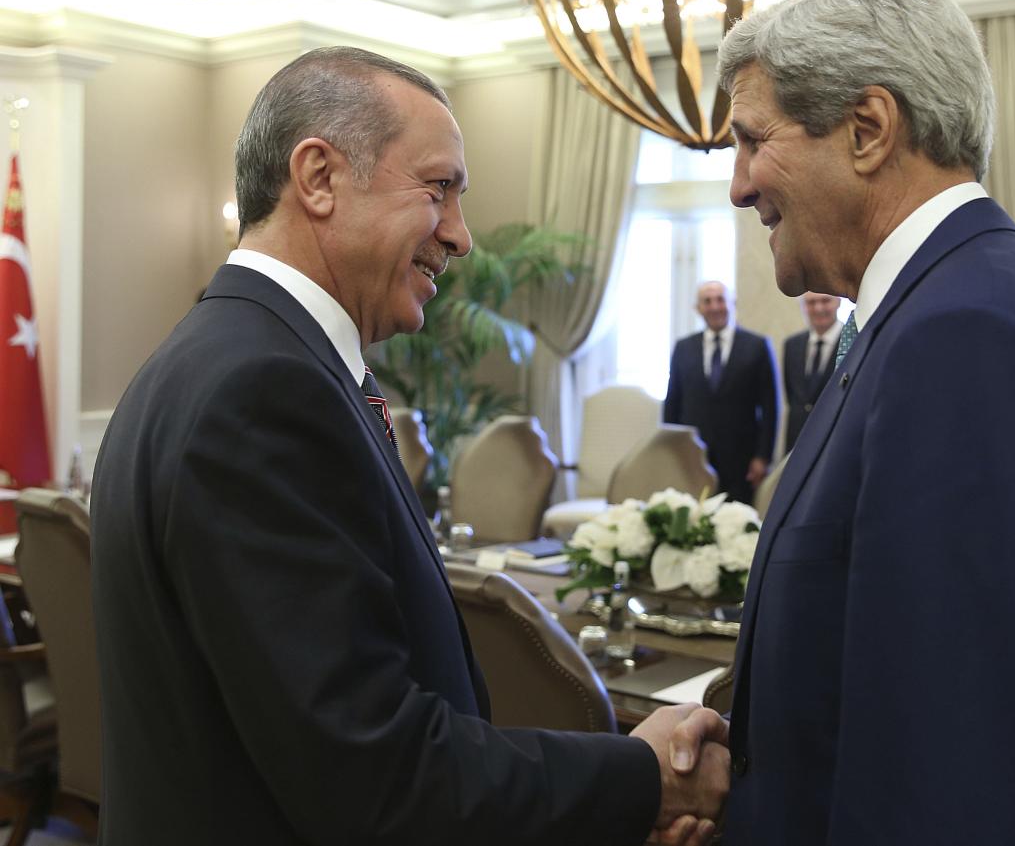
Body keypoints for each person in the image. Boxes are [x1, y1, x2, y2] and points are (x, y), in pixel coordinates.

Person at [91, 47, 728, 846]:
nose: (460, 236)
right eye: (439, 189)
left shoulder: (226, 356)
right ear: (318, 177)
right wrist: (640, 778)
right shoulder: (261, 393)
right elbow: (373, 774)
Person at [717, 0, 1015, 845]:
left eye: (752, 140)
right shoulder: (954, 302)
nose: (737, 185)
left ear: (868, 130)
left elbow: (961, 779)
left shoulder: (972, 333)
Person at [663, 281, 778, 503]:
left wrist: (762, 457)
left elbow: (771, 407)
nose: (715, 306)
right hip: (694, 459)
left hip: (742, 460)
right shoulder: (683, 348)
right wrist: (673, 454)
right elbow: (672, 405)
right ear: (698, 308)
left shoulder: (757, 346)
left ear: (732, 303)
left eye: (720, 299)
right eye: (707, 301)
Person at [781, 291, 843, 452]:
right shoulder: (792, 345)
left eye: (825, 301)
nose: (818, 308)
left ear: (837, 301)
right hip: (797, 442)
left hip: (834, 442)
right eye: (811, 303)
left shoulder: (853, 341)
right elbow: (792, 397)